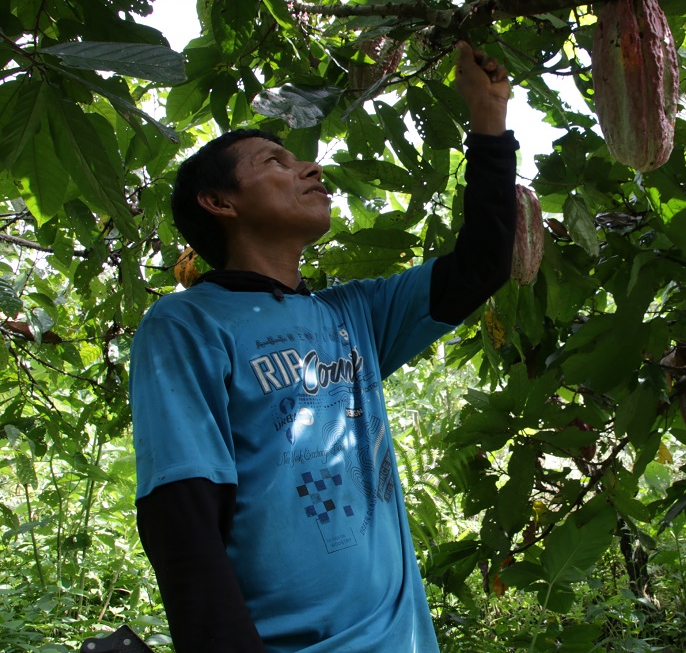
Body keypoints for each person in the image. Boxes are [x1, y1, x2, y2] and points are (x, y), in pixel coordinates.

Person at [129, 41, 517, 652]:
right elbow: (181, 515)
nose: (310, 168)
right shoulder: (186, 324)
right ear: (219, 202)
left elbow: (481, 265)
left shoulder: (352, 313)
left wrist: (489, 122)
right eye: (275, 162)